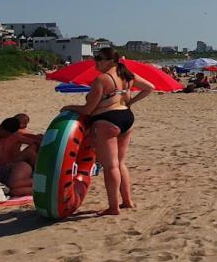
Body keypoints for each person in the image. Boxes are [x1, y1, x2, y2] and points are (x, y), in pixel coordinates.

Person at [64, 47, 154, 216]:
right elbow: (150, 87)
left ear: (111, 61)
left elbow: (88, 109)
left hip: (107, 121)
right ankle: (128, 201)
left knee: (110, 166)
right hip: (126, 117)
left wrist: (69, 107)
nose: (95, 62)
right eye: (95, 58)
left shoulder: (102, 80)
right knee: (120, 163)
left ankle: (113, 208)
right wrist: (131, 102)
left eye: (99, 58)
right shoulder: (127, 76)